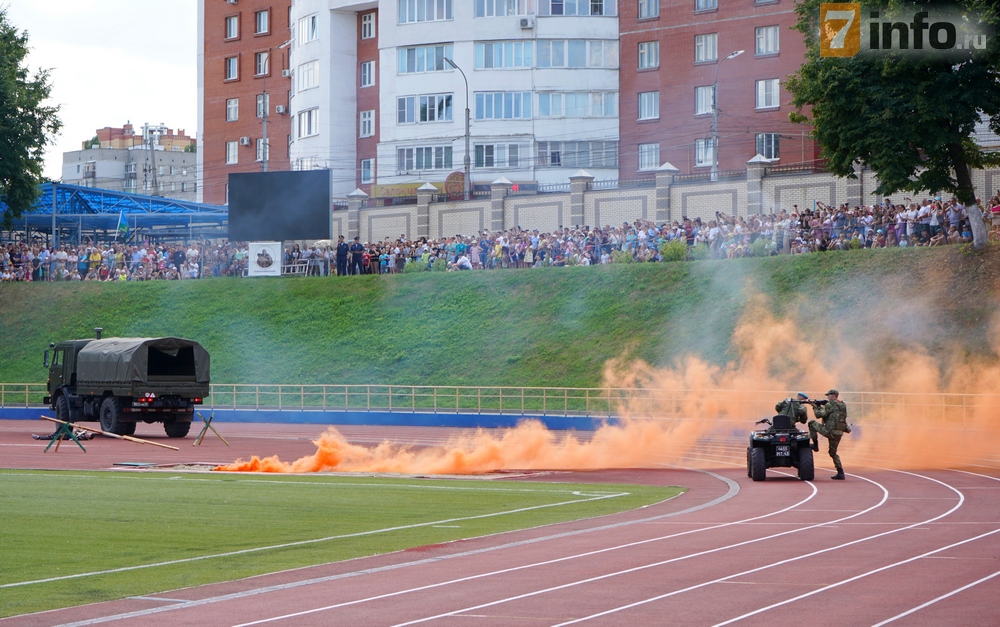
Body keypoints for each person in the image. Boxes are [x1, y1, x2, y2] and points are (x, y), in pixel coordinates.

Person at [808, 389, 851, 480]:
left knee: (811, 423)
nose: (827, 397)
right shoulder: (842, 405)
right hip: (839, 432)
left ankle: (815, 445)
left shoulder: (829, 404)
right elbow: (834, 413)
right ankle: (840, 472)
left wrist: (815, 406)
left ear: (833, 395)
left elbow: (819, 415)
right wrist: (823, 405)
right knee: (833, 453)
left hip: (829, 431)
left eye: (829, 395)